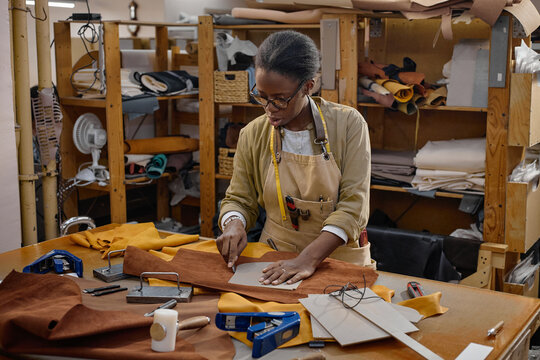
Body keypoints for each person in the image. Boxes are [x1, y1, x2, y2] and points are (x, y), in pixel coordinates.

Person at [217, 30, 372, 286]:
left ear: (308, 86)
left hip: (338, 259)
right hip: (274, 257)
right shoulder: (253, 133)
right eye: (262, 96)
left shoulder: (349, 125)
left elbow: (354, 207)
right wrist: (234, 222)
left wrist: (307, 259)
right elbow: (240, 199)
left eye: (280, 100)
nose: (269, 109)